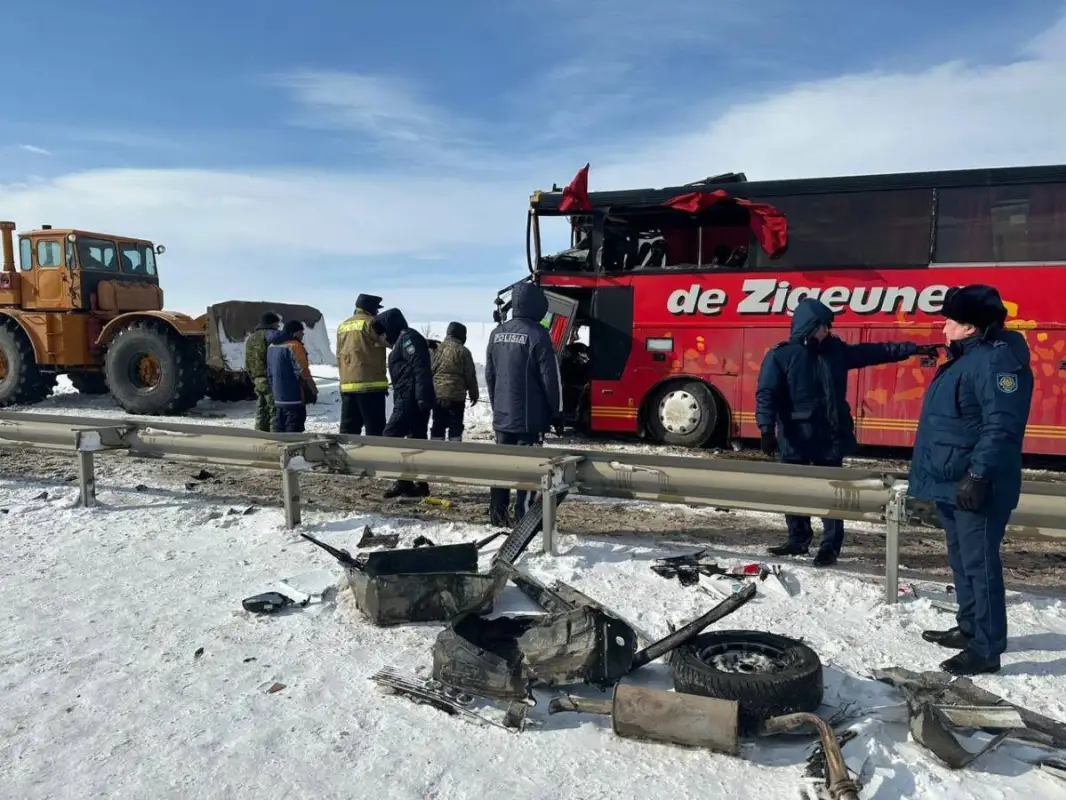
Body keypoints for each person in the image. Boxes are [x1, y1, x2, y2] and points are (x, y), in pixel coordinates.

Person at [756, 298, 941, 566]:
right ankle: (797, 541)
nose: (828, 331)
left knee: (834, 495)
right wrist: (765, 428)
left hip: (830, 437)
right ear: (809, 326)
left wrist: (912, 349)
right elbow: (766, 394)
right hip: (796, 437)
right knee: (795, 492)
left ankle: (830, 548)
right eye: (823, 326)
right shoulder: (782, 356)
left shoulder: (836, 351)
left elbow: (876, 351)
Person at [909, 285, 1033, 676]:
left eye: (949, 321)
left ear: (969, 327)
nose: (943, 329)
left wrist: (979, 475)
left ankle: (987, 647)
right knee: (962, 561)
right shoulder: (967, 359)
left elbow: (1002, 426)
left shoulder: (995, 363)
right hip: (951, 482)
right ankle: (969, 627)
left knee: (980, 565)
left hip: (977, 484)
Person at [485, 282, 563, 528]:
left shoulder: (496, 334)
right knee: (528, 472)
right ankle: (524, 519)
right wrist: (556, 413)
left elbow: (490, 375)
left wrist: (498, 406)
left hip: (503, 419)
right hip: (530, 421)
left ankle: (497, 515)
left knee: (500, 469)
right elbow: (552, 380)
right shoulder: (539, 334)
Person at [374, 307, 435, 498]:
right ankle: (415, 484)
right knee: (416, 439)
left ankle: (405, 482)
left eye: (383, 332)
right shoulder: (403, 340)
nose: (383, 337)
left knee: (391, 435)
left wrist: (422, 396)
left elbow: (420, 366)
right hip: (409, 396)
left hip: (410, 399)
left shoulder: (408, 338)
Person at [336, 294, 388, 436]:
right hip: (370, 385)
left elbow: (339, 353)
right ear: (371, 309)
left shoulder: (343, 326)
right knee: (375, 430)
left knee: (348, 431)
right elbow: (390, 341)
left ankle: (347, 457)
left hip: (347, 385)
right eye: (376, 309)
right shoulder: (371, 323)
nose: (377, 312)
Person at [430, 322, 479, 442]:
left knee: (438, 423)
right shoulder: (463, 351)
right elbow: (470, 375)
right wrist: (474, 393)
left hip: (438, 395)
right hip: (456, 397)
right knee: (455, 425)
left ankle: (435, 448)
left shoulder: (437, 349)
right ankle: (455, 449)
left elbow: (430, 370)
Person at [266, 319, 318, 433]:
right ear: (295, 332)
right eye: (301, 331)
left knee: (279, 425)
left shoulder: (271, 347)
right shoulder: (295, 346)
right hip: (294, 395)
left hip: (278, 396)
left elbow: (269, 372)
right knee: (294, 427)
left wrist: (273, 391)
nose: (303, 334)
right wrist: (313, 389)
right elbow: (303, 371)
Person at [245, 311, 282, 432]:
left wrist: (253, 377)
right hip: (270, 379)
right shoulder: (271, 336)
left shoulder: (251, 338)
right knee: (275, 412)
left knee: (262, 410)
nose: (278, 327)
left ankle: (259, 437)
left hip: (257, 378)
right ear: (272, 323)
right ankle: (275, 440)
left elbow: (248, 361)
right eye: (277, 324)